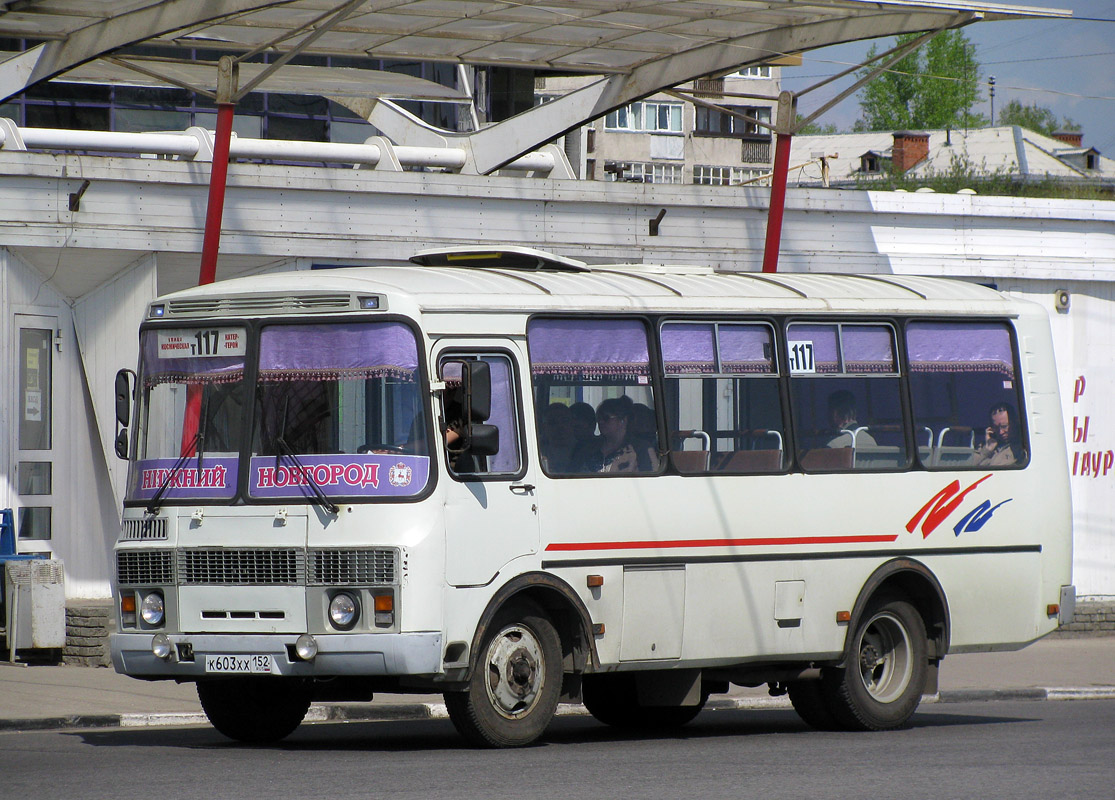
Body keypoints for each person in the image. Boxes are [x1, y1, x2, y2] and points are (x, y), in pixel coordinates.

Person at [570, 395, 658, 473]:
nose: (601, 422)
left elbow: (651, 477)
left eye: (606, 418)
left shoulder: (641, 448)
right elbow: (573, 473)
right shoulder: (588, 447)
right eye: (598, 418)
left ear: (623, 420)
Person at [974, 402, 1022, 466]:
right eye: (996, 428)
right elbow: (969, 466)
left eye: (1004, 426)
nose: (1000, 432)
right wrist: (987, 449)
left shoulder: (1021, 448)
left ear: (1015, 423)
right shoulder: (985, 446)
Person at [539, 402, 577, 472]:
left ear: (572, 423)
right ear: (544, 427)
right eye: (553, 422)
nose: (560, 427)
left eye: (564, 421)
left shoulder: (585, 451)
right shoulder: (538, 451)